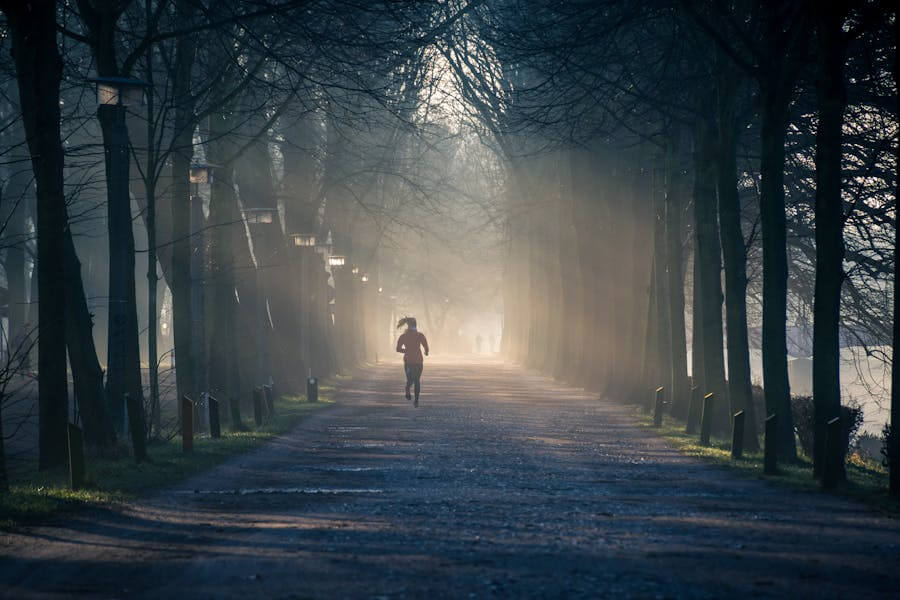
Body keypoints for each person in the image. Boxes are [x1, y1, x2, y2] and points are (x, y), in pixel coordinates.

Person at [396, 316, 429, 407]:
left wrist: (406, 351)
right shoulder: (420, 335)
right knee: (417, 380)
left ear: (408, 325)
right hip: (418, 361)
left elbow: (398, 349)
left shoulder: (403, 336)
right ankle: (416, 400)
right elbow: (426, 347)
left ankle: (407, 388)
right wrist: (426, 352)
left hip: (408, 361)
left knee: (410, 379)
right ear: (415, 325)